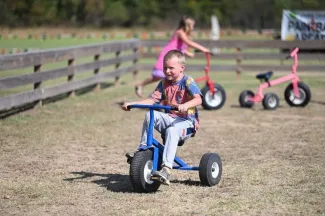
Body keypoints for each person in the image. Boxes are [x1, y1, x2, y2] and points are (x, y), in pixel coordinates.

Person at [122, 50, 203, 185]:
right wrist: (132, 103)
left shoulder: (187, 81)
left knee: (172, 130)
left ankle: (166, 169)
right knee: (150, 115)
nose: (167, 71)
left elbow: (198, 99)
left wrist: (185, 105)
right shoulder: (163, 83)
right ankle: (143, 150)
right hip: (171, 118)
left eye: (171, 68)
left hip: (187, 122)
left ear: (182, 68)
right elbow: (151, 101)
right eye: (165, 68)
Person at [135, 15, 210, 98]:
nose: (193, 27)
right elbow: (188, 43)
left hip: (174, 57)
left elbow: (179, 46)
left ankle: (159, 96)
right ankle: (147, 90)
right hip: (167, 55)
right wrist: (204, 49)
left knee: (169, 77)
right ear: (187, 25)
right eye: (192, 25)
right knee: (158, 75)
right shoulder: (180, 32)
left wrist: (187, 53)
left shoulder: (183, 34)